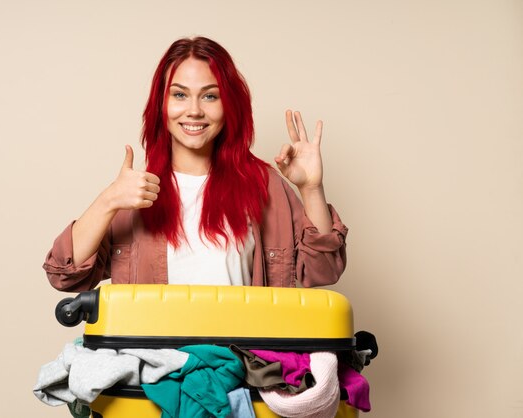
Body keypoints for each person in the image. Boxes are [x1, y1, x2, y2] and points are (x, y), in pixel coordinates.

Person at [43, 36, 347, 292]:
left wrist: (311, 188)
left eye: (210, 96)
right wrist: (109, 200)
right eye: (179, 95)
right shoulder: (135, 193)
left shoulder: (264, 185)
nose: (194, 111)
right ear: (161, 105)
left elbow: (323, 270)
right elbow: (63, 274)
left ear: (229, 106)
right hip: (159, 360)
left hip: (241, 358)